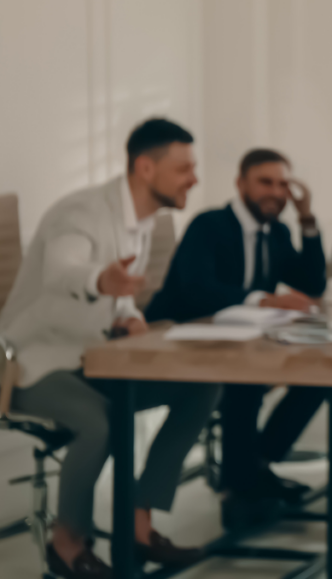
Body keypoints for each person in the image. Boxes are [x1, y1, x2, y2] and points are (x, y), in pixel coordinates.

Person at [0, 118, 219, 579]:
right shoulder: (80, 212)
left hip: (91, 357)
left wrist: (130, 317)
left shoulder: (138, 223)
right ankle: (67, 544)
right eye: (184, 169)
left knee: (201, 386)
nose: (194, 179)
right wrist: (100, 279)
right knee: (100, 423)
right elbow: (66, 269)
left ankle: (138, 524)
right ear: (145, 167)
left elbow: (119, 300)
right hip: (32, 364)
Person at [146, 148, 328, 526]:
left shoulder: (275, 231)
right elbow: (196, 290)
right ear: (241, 183)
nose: (275, 192)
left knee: (322, 372)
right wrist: (263, 299)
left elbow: (312, 283)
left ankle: (254, 467)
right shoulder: (209, 225)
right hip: (180, 341)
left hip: (237, 344)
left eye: (283, 184)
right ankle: (240, 490)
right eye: (265, 182)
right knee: (245, 382)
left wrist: (307, 218)